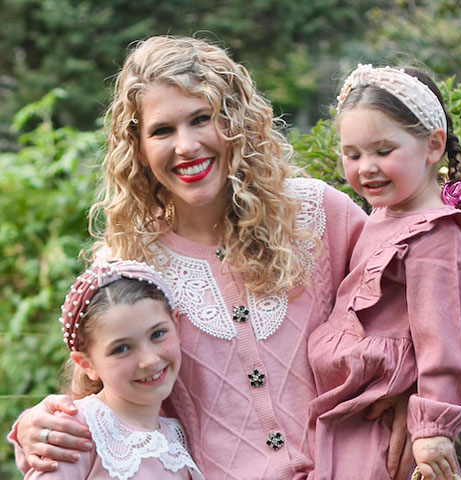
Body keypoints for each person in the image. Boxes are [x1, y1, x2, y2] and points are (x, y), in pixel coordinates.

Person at [9, 36, 426, 480]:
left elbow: (422, 312)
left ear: (235, 121)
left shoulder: (316, 214)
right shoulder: (130, 262)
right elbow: (105, 396)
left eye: (201, 119)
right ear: (138, 147)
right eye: (162, 131)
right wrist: (38, 428)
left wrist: (411, 394)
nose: (186, 146)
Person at [307, 64, 461, 480]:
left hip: (388, 416)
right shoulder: (381, 215)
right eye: (352, 154)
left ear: (433, 146)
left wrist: (433, 428)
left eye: (383, 151)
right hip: (350, 401)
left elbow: (445, 338)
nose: (366, 166)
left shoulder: (438, 233)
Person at [23, 259, 204, 479]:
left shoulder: (176, 435)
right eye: (121, 348)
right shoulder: (76, 430)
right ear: (87, 364)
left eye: (157, 334)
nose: (149, 360)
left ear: (175, 325)